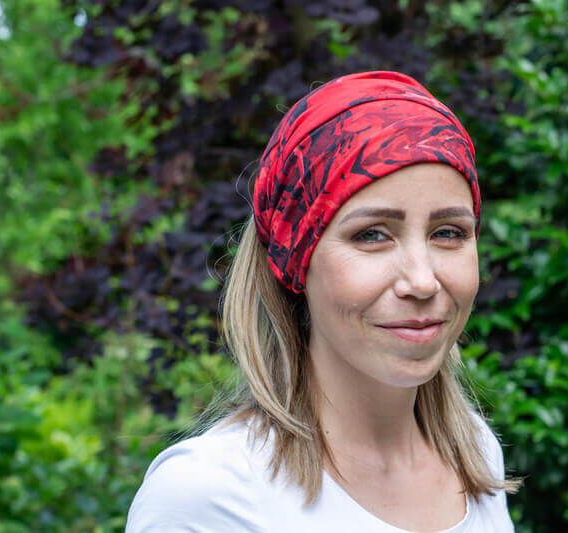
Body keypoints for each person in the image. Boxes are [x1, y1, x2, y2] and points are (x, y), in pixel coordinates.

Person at [126, 70, 520, 532]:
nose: (422, 281)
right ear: (295, 258)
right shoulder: (210, 496)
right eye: (371, 235)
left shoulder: (474, 453)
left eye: (448, 233)